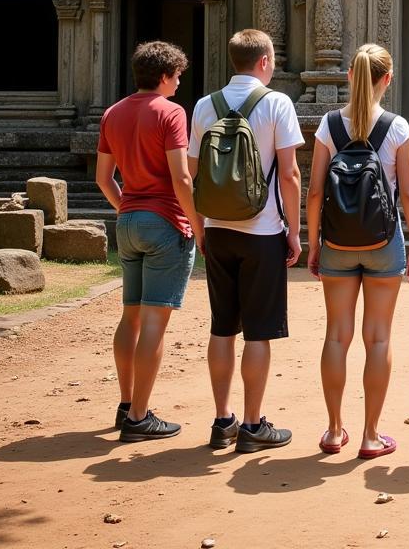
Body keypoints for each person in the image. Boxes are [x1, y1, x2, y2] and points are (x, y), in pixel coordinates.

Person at [306, 43, 409, 458]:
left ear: (348, 77)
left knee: (337, 335)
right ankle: (370, 435)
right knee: (377, 338)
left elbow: (316, 190)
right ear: (386, 80)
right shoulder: (396, 127)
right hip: (383, 240)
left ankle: (334, 429)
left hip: (336, 242)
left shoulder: (328, 125)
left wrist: (313, 242)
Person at [187, 29, 304, 453]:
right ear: (265, 62)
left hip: (217, 230)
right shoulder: (277, 103)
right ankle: (254, 426)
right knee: (258, 333)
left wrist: (200, 226)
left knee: (222, 328)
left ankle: (222, 421)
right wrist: (294, 230)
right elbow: (289, 174)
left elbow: (192, 173)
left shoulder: (204, 106)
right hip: (263, 231)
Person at [95, 40, 201, 442]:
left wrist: (127, 207)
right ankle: (140, 417)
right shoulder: (171, 112)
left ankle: (126, 404)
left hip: (127, 223)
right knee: (155, 320)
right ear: (163, 76)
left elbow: (104, 179)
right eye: (176, 77)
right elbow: (181, 178)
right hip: (164, 223)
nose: (178, 84)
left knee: (131, 316)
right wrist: (196, 224)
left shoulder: (112, 113)